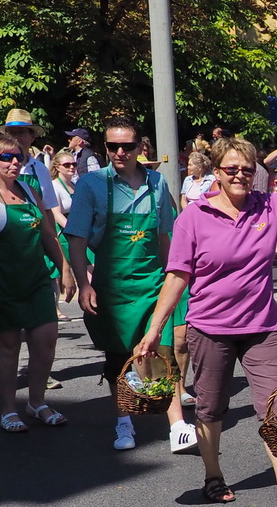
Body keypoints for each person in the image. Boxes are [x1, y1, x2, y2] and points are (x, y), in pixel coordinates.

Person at [135, 137, 277, 507]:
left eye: (247, 170)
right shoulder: (194, 217)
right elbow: (176, 277)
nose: (240, 175)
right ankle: (213, 475)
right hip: (210, 328)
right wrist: (155, 328)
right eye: (231, 169)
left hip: (262, 328)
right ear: (216, 173)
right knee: (209, 408)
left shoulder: (268, 206)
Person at [66, 116, 196, 451]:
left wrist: (176, 279)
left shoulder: (157, 183)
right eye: (113, 146)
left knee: (162, 350)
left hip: (153, 283)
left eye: (127, 146)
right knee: (118, 358)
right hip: (112, 285)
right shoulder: (91, 184)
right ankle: (124, 423)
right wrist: (84, 284)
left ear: (140, 147)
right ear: (105, 147)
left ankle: (178, 425)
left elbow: (165, 236)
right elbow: (77, 239)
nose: (120, 152)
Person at [0, 134, 75, 431]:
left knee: (46, 339)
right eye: (6, 158)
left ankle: (37, 403)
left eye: (18, 157)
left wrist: (65, 269)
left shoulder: (29, 189)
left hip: (34, 279)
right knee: (8, 345)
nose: (13, 163)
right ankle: (8, 410)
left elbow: (48, 235)